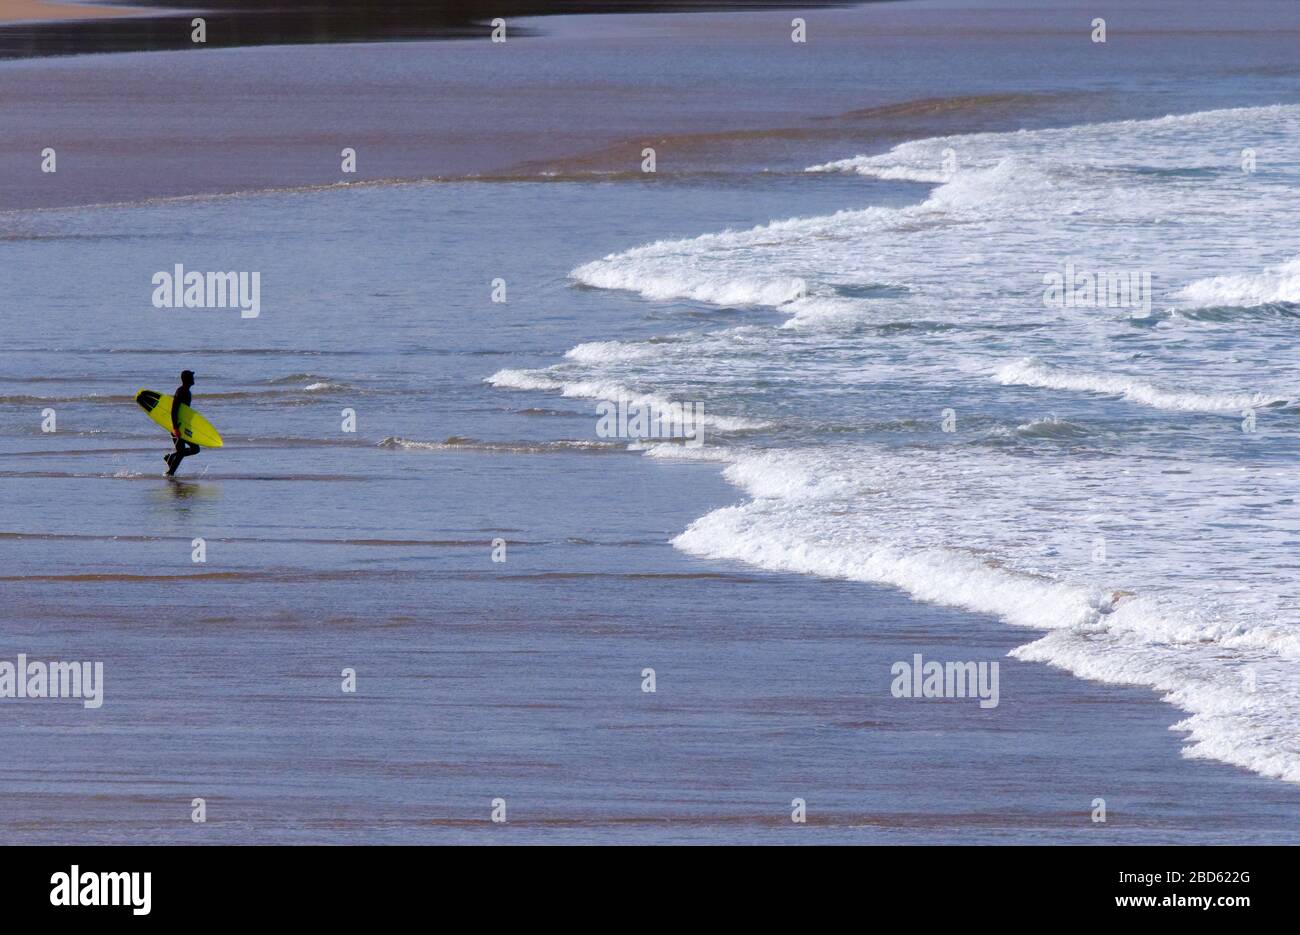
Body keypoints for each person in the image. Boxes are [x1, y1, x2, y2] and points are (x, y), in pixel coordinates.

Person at [165, 370, 201, 476]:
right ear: (188, 379)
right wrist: (175, 428)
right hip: (178, 426)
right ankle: (170, 470)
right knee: (193, 449)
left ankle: (170, 464)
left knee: (185, 451)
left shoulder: (185, 391)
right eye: (192, 377)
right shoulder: (181, 392)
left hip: (182, 425)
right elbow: (174, 410)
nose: (194, 379)